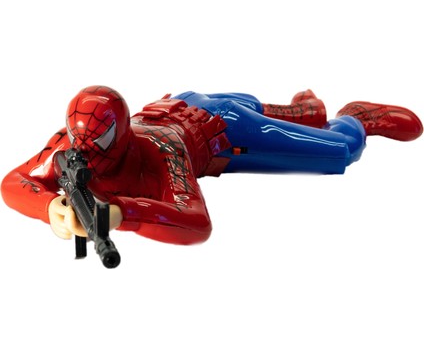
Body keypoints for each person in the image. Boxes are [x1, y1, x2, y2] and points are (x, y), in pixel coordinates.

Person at [1, 86, 422, 245]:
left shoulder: (162, 150)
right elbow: (13, 182)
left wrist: (123, 213)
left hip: (223, 129)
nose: (88, 152)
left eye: (100, 140)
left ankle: (356, 117)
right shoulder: (70, 146)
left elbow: (196, 221)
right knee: (298, 114)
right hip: (177, 103)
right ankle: (306, 108)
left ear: (122, 134)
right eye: (80, 140)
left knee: (338, 152)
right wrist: (50, 208)